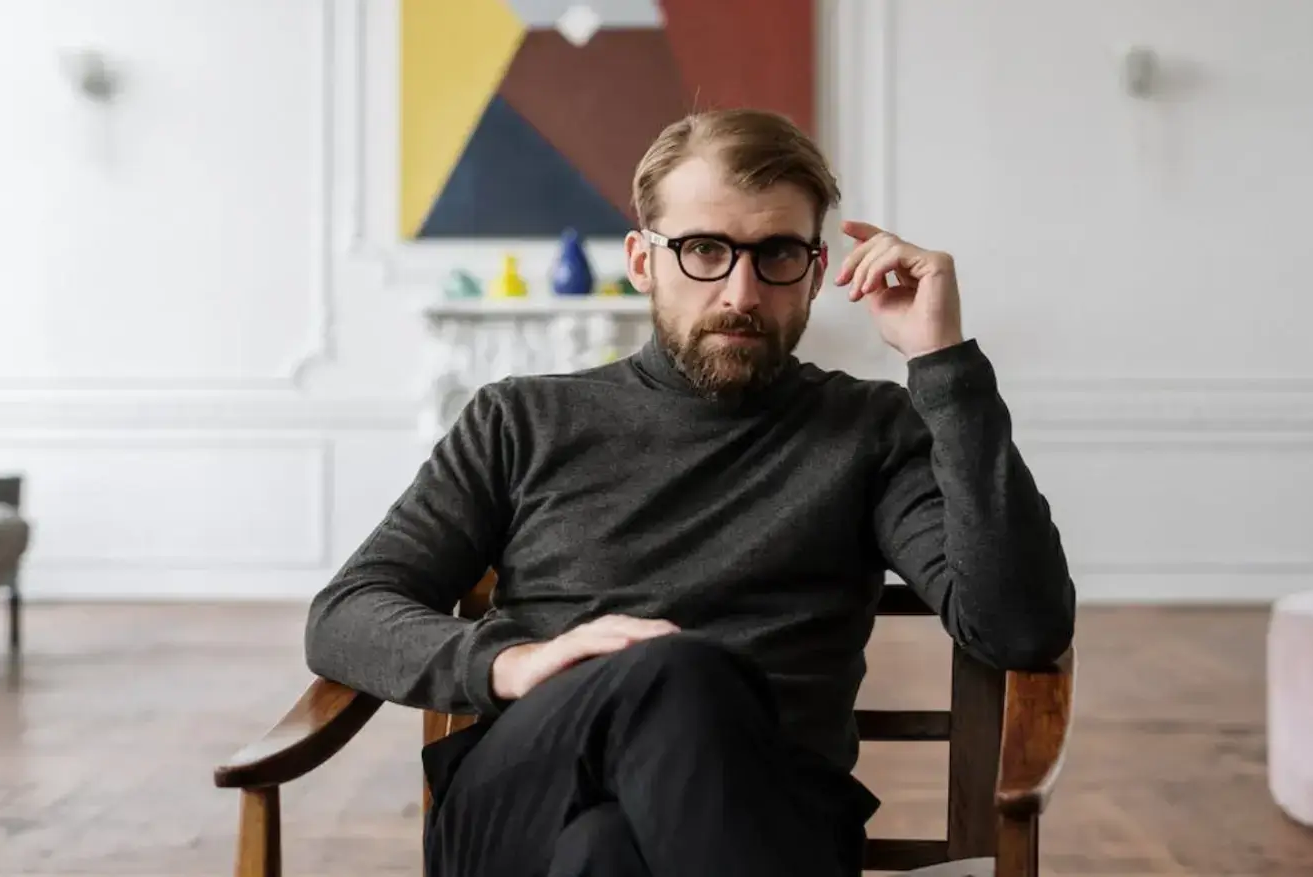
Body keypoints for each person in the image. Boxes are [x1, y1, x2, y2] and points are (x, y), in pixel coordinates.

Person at [304, 108, 1076, 877]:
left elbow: (1017, 627)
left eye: (775, 253)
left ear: (814, 270)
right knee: (675, 670)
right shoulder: (521, 417)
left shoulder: (869, 429)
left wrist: (943, 365)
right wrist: (516, 662)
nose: (741, 291)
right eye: (705, 249)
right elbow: (347, 612)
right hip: (526, 793)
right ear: (643, 261)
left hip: (770, 810)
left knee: (604, 850)